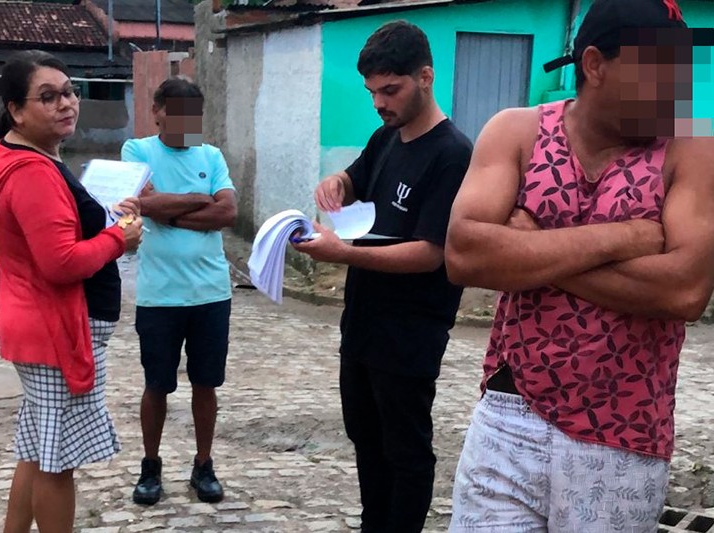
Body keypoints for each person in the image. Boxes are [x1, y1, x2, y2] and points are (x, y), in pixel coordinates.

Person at [445, 0, 714, 530]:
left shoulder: (692, 150)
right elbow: (465, 253)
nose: (678, 88)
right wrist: (625, 237)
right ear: (595, 64)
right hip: (510, 415)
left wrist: (531, 247)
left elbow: (684, 292)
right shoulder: (517, 132)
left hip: (624, 433)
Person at [292, 21, 472, 533]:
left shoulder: (453, 154)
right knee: (366, 441)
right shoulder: (386, 136)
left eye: (390, 90)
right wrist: (337, 183)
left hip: (411, 333)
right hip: (363, 326)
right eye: (372, 92)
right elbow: (356, 178)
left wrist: (343, 253)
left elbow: (431, 254)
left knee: (405, 451)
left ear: (426, 77)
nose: (379, 103)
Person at [0, 50, 142, 533]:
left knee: (37, 448)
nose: (66, 104)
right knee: (57, 463)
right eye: (48, 97)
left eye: (69, 92)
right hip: (57, 330)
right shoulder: (32, 172)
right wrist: (118, 238)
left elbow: (51, 234)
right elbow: (60, 263)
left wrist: (104, 215)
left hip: (40, 322)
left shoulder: (19, 156)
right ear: (16, 110)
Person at [123, 77, 237, 505]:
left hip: (211, 293)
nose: (189, 124)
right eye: (179, 114)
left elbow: (228, 212)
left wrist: (167, 209)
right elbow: (140, 204)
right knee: (156, 385)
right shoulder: (137, 151)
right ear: (158, 112)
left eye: (195, 116)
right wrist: (199, 199)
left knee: (206, 384)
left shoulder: (211, 155)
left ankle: (203, 464)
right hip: (159, 296)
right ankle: (150, 466)